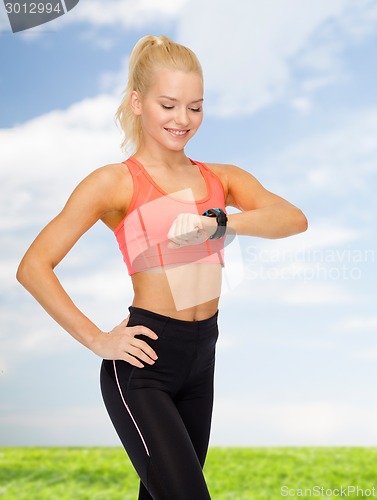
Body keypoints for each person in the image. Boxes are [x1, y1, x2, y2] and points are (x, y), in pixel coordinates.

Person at [16, 34, 308, 500]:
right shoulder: (114, 183)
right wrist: (97, 339)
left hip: (201, 356)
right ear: (137, 102)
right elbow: (33, 266)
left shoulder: (220, 179)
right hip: (144, 361)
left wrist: (220, 225)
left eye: (195, 107)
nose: (183, 119)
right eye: (169, 105)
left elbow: (293, 219)